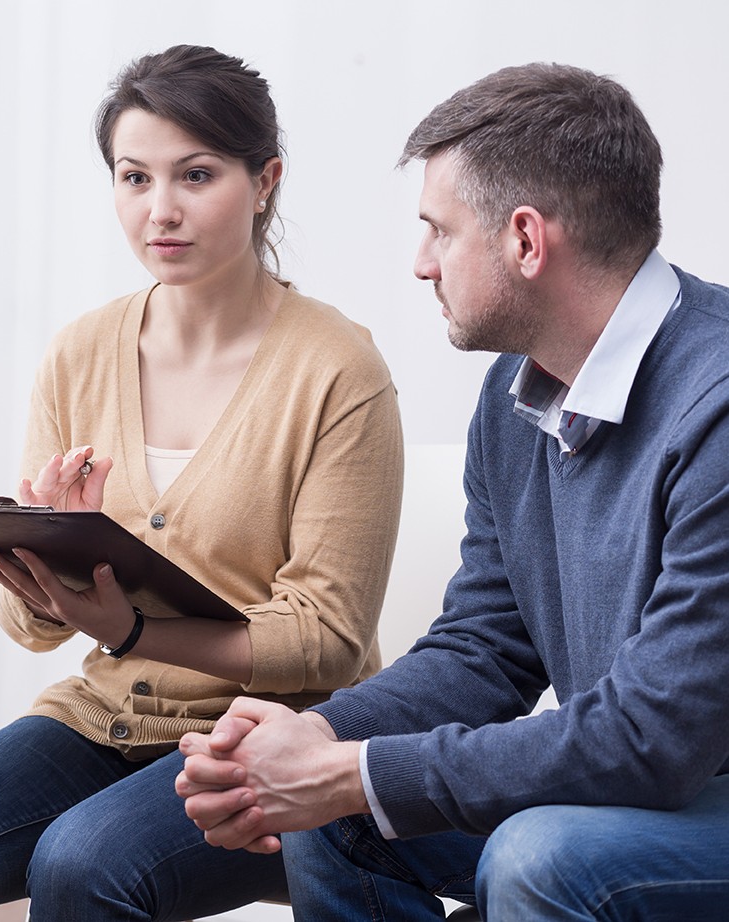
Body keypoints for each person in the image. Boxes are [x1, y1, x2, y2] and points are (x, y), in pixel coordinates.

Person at [177, 62, 729, 920]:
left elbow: (656, 738)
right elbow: (484, 650)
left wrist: (355, 770)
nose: (421, 264)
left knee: (535, 857)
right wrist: (324, 738)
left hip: (699, 789)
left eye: (439, 231)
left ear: (525, 240)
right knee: (337, 815)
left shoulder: (717, 408)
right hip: (651, 784)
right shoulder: (520, 393)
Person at [0, 45, 404, 920]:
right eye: (133, 177)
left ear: (264, 180)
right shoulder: (80, 353)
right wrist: (50, 564)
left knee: (81, 865)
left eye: (196, 175)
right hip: (100, 716)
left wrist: (131, 628)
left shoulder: (339, 369)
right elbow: (26, 626)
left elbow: (329, 643)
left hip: (272, 734)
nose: (161, 211)